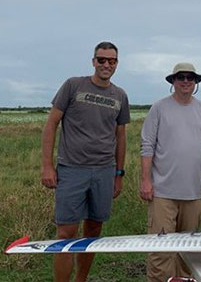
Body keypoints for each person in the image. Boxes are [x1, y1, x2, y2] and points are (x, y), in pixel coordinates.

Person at [40, 41, 130, 282]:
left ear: (116, 64)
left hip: (104, 171)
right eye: (102, 60)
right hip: (72, 169)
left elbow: (120, 136)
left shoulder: (120, 95)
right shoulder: (73, 85)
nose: (106, 65)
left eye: (111, 61)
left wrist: (118, 173)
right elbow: (51, 124)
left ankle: (81, 279)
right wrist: (47, 165)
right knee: (66, 233)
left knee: (93, 231)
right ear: (93, 61)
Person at [140, 62, 201, 282]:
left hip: (193, 193)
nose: (186, 81)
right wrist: (146, 181)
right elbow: (147, 146)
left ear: (196, 83)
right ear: (173, 81)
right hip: (163, 193)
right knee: (161, 251)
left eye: (190, 77)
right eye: (181, 77)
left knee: (188, 251)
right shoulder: (159, 108)